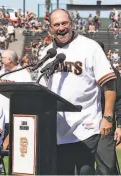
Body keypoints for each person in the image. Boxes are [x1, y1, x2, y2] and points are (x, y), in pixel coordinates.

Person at [39, 8, 117, 175]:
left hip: (86, 126)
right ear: (50, 28)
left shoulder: (90, 47)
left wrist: (108, 117)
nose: (61, 28)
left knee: (85, 172)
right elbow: (41, 88)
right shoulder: (46, 53)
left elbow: (109, 85)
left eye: (64, 23)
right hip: (57, 128)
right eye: (56, 24)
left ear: (71, 24)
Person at [95, 41, 121, 175]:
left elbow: (119, 101)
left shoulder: (112, 71)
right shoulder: (82, 71)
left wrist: (120, 126)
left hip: (105, 125)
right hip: (83, 124)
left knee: (106, 168)